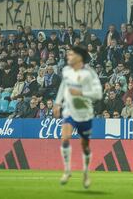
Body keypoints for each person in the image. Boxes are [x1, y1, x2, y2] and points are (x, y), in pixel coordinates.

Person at [53, 46, 103, 189]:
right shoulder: (66, 71)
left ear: (80, 57)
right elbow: (64, 86)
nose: (68, 56)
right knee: (65, 138)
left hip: (84, 112)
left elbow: (98, 94)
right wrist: (57, 103)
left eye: (71, 54)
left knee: (85, 146)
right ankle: (67, 170)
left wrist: (81, 93)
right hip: (69, 111)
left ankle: (86, 173)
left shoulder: (90, 73)